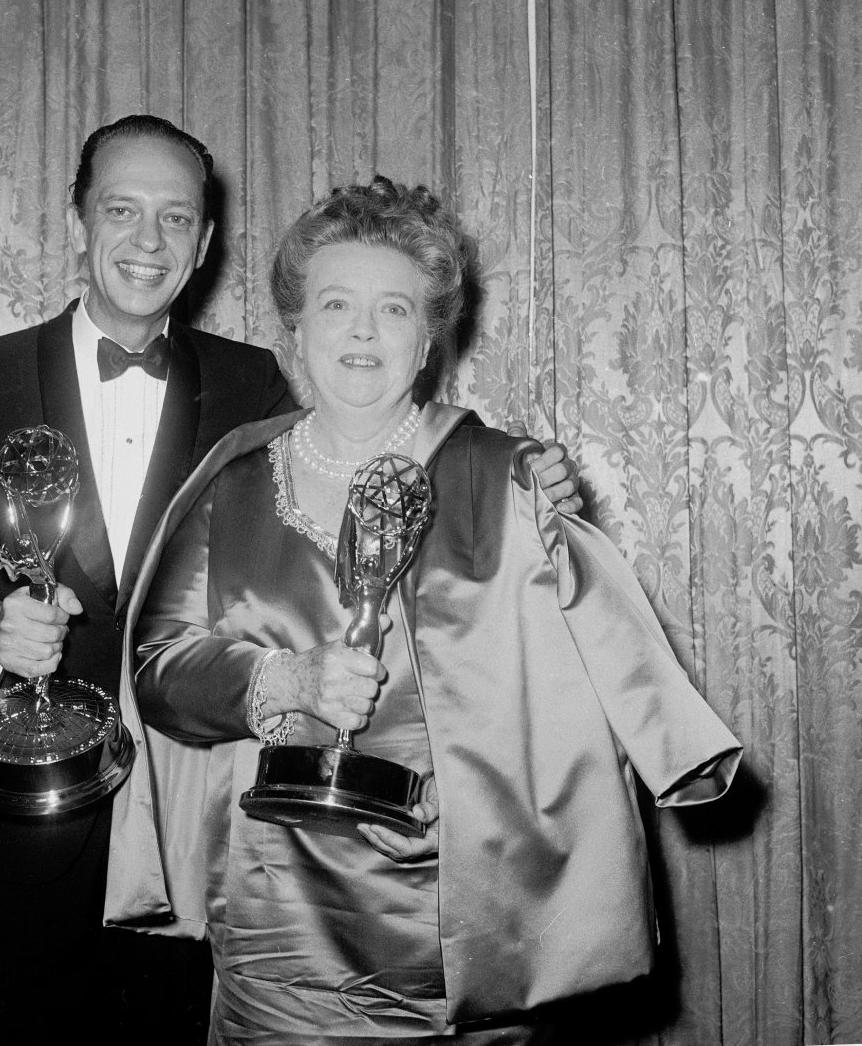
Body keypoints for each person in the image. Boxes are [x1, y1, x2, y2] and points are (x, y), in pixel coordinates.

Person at [0, 120, 581, 1043]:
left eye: (176, 218)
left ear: (205, 242)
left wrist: (512, 467)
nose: (147, 241)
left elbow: (380, 441)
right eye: (121, 211)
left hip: (198, 817)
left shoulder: (257, 383)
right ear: (74, 221)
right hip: (29, 811)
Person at [112, 176, 742, 1044]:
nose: (362, 331)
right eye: (335, 304)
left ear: (427, 342)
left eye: (395, 309)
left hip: (454, 934)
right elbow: (155, 671)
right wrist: (283, 678)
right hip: (274, 930)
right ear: (296, 329)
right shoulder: (231, 480)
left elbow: (584, 674)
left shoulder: (501, 477)